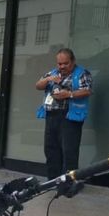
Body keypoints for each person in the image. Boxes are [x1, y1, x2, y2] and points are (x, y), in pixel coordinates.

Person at [35, 48, 93, 179]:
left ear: (73, 62)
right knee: (50, 149)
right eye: (59, 64)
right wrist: (49, 79)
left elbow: (87, 91)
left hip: (69, 116)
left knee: (69, 151)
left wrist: (69, 94)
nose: (62, 67)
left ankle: (69, 182)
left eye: (65, 63)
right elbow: (38, 85)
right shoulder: (53, 73)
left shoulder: (82, 73)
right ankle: (53, 180)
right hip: (51, 116)